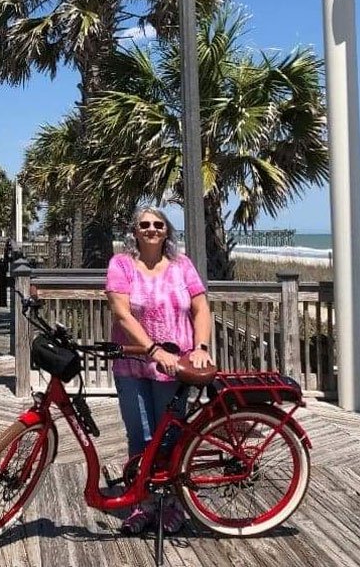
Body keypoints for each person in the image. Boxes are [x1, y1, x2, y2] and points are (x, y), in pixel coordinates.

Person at [105, 206, 213, 536]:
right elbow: (122, 313)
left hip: (174, 366)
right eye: (144, 225)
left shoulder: (183, 266)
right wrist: (152, 350)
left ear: (167, 231)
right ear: (134, 232)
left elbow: (201, 307)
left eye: (158, 224)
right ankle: (144, 502)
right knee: (140, 437)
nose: (151, 229)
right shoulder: (121, 264)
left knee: (169, 438)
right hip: (133, 363)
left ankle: (172, 504)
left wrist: (201, 347)